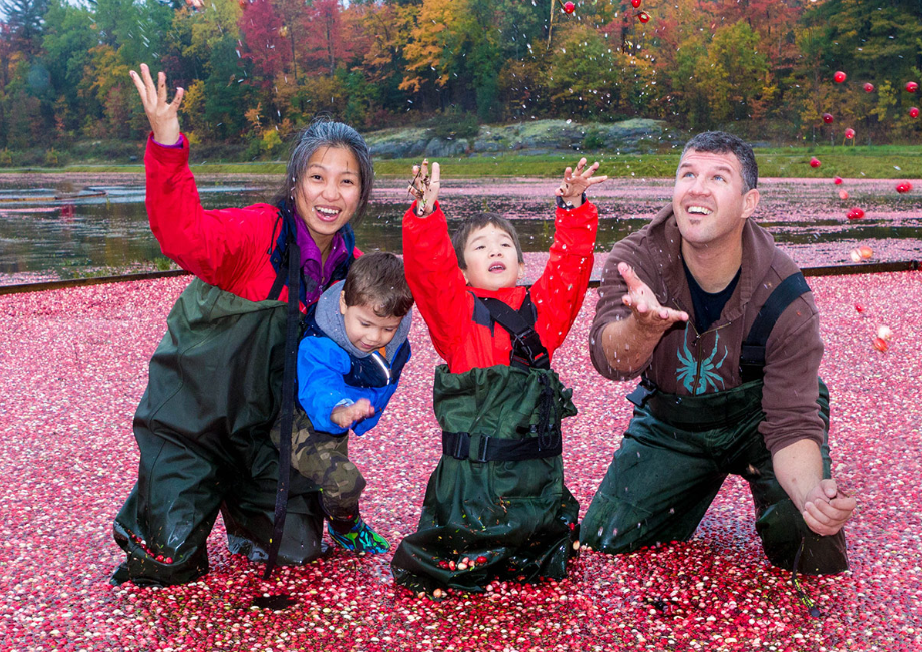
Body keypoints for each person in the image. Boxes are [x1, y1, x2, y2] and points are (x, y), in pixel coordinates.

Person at [111, 64, 373, 586]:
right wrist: (167, 143)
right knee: (165, 562)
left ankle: (243, 505)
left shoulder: (354, 272)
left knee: (296, 552)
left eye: (347, 181)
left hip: (271, 440)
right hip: (193, 422)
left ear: (361, 193)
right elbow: (182, 236)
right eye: (317, 177)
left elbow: (383, 345)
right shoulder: (257, 232)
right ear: (296, 182)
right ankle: (180, 493)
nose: (330, 193)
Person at [580, 132, 855, 578]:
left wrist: (810, 497)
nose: (697, 188)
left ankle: (790, 502)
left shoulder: (786, 296)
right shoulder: (635, 260)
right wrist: (642, 328)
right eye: (688, 173)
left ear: (749, 203)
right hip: (674, 424)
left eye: (717, 177)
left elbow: (791, 422)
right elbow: (611, 361)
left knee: (810, 543)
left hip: (760, 419)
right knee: (605, 541)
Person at [389, 158, 606, 599]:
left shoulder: (540, 314)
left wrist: (575, 206)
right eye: (481, 246)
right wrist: (426, 217)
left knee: (540, 559)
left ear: (522, 265)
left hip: (534, 487)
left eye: (504, 244)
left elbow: (570, 270)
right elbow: (429, 275)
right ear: (463, 269)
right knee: (457, 560)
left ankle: (529, 539)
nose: (495, 251)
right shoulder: (455, 317)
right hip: (469, 492)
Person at [270, 252, 412, 555]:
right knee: (345, 480)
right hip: (301, 420)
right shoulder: (322, 343)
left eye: (387, 328)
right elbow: (318, 385)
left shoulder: (395, 337)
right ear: (345, 302)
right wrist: (339, 409)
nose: (374, 337)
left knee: (334, 465)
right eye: (365, 324)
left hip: (345, 417)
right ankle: (344, 526)